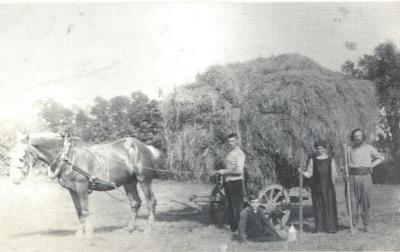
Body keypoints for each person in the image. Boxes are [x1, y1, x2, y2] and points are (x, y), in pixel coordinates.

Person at [346, 128, 384, 232]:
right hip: (352, 177)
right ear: (353, 138)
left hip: (365, 176)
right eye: (355, 136)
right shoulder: (349, 149)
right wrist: (344, 170)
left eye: (359, 136)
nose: (357, 138)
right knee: (352, 202)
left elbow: (381, 158)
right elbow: (344, 164)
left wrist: (371, 165)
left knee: (365, 201)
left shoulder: (369, 148)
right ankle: (354, 225)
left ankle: (366, 225)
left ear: (363, 137)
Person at [301, 140, 338, 233]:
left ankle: (331, 227)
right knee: (318, 206)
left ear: (325, 149)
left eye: (321, 149)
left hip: (328, 186)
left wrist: (333, 183)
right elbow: (309, 173)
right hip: (316, 186)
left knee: (329, 206)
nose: (320, 150)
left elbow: (334, 174)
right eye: (318, 149)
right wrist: (302, 173)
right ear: (316, 149)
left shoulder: (330, 159)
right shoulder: (312, 160)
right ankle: (319, 227)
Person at [216, 133, 246, 232]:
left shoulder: (240, 153)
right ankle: (233, 227)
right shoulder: (230, 153)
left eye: (232, 141)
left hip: (236, 182)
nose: (230, 143)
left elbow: (239, 171)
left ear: (237, 141)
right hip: (228, 182)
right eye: (229, 141)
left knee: (237, 206)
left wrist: (224, 171)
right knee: (229, 205)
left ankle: (239, 229)